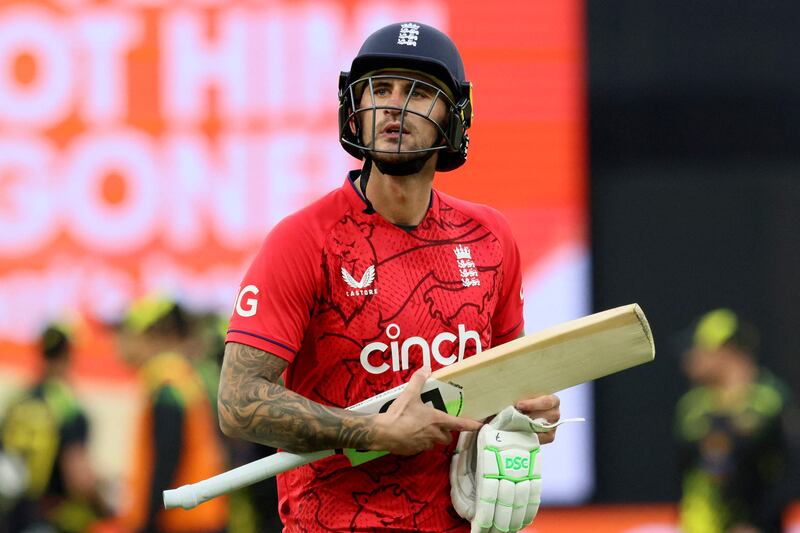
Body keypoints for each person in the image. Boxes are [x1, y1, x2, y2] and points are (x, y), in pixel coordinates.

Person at [218, 22, 561, 532]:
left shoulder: (491, 237)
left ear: (455, 115)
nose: (394, 108)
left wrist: (526, 413)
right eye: (380, 89)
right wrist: (373, 431)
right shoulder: (304, 240)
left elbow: (501, 386)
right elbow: (238, 401)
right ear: (356, 108)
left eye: (419, 93)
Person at [675, 308, 798, 533]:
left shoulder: (769, 401)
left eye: (701, 348)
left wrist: (756, 523)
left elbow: (786, 471)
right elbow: (686, 472)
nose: (691, 356)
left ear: (727, 350)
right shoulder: (692, 407)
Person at [115, 296, 228, 533]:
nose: (120, 342)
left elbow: (167, 458)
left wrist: (148, 521)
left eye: (127, 333)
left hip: (182, 521)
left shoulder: (168, 385)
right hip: (197, 516)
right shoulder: (183, 378)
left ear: (154, 335)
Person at [0, 322, 107, 533]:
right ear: (69, 356)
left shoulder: (18, 401)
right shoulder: (67, 407)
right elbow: (78, 477)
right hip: (47, 518)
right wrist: (105, 504)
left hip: (9, 516)